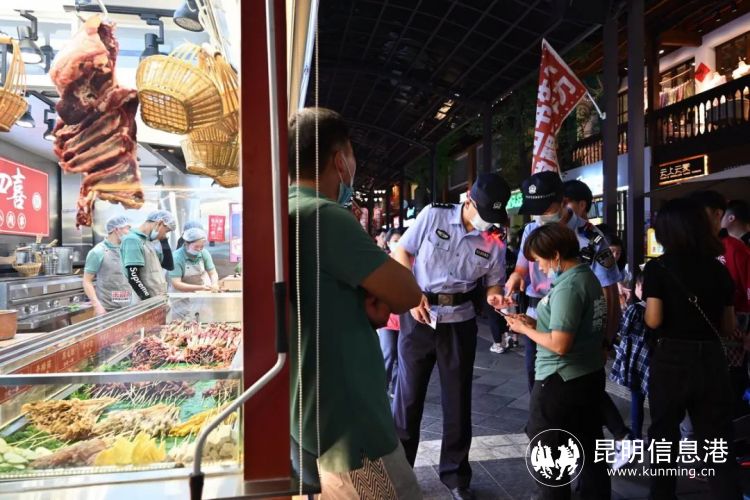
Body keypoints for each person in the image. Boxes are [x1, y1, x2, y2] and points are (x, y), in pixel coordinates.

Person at [288, 107, 424, 499]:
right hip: (350, 421)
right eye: (353, 156)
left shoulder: (285, 210)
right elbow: (407, 293)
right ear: (340, 160)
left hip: (309, 406)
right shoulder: (324, 216)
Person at [391, 172, 512, 500]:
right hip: (419, 317)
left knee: (457, 401)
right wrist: (411, 294)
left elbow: (493, 284)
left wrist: (496, 299)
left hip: (459, 323)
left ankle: (456, 476)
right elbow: (402, 252)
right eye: (484, 214)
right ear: (469, 200)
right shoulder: (434, 215)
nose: (487, 223)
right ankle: (400, 473)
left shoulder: (494, 240)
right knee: (408, 398)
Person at [643, 197, 742, 499]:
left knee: (664, 434)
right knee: (716, 438)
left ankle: (662, 495)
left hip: (671, 359)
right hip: (711, 358)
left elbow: (654, 319)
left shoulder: (658, 268)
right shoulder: (718, 269)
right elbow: (728, 326)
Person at [505, 224, 610, 499]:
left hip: (560, 379)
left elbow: (560, 344)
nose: (539, 266)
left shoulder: (569, 286)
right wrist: (534, 323)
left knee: (548, 448)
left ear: (555, 255)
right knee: (589, 444)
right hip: (588, 375)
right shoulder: (586, 277)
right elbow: (571, 326)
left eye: (540, 260)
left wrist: (524, 329)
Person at [505, 172, 621, 391]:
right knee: (537, 383)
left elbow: (609, 291)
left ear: (563, 201)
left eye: (545, 209)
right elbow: (522, 267)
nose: (540, 216)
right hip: (536, 316)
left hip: (576, 323)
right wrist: (516, 277)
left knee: (573, 384)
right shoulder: (531, 229)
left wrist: (606, 340)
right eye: (535, 211)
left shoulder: (591, 237)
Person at [609, 272, 650, 452]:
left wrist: (622, 306)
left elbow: (623, 330)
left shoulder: (635, 309)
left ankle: (637, 437)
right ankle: (656, 437)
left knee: (636, 399)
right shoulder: (660, 309)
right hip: (650, 361)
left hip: (635, 361)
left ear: (640, 288)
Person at [120, 210, 176, 301]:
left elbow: (168, 265)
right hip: (145, 302)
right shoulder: (133, 240)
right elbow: (134, 277)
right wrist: (149, 301)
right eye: (166, 231)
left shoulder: (147, 242)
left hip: (156, 299)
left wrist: (164, 241)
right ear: (159, 223)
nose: (164, 235)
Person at [83, 215, 132, 315]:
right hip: (107, 309)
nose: (129, 233)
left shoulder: (126, 249)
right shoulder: (97, 252)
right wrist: (97, 305)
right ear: (117, 229)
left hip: (128, 307)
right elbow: (87, 281)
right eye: (127, 228)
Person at [379, 227, 405, 396]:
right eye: (395, 241)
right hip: (387, 319)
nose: (398, 243)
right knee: (388, 353)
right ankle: (381, 389)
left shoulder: (412, 261)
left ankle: (396, 389)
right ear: (388, 243)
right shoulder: (383, 262)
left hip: (405, 319)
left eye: (401, 240)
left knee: (402, 358)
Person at [168, 227, 219, 292]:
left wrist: (214, 283)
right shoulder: (176, 257)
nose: (199, 249)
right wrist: (201, 287)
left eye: (202, 246)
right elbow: (177, 283)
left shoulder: (204, 253)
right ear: (186, 244)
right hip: (180, 294)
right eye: (196, 246)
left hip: (199, 292)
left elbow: (213, 273)